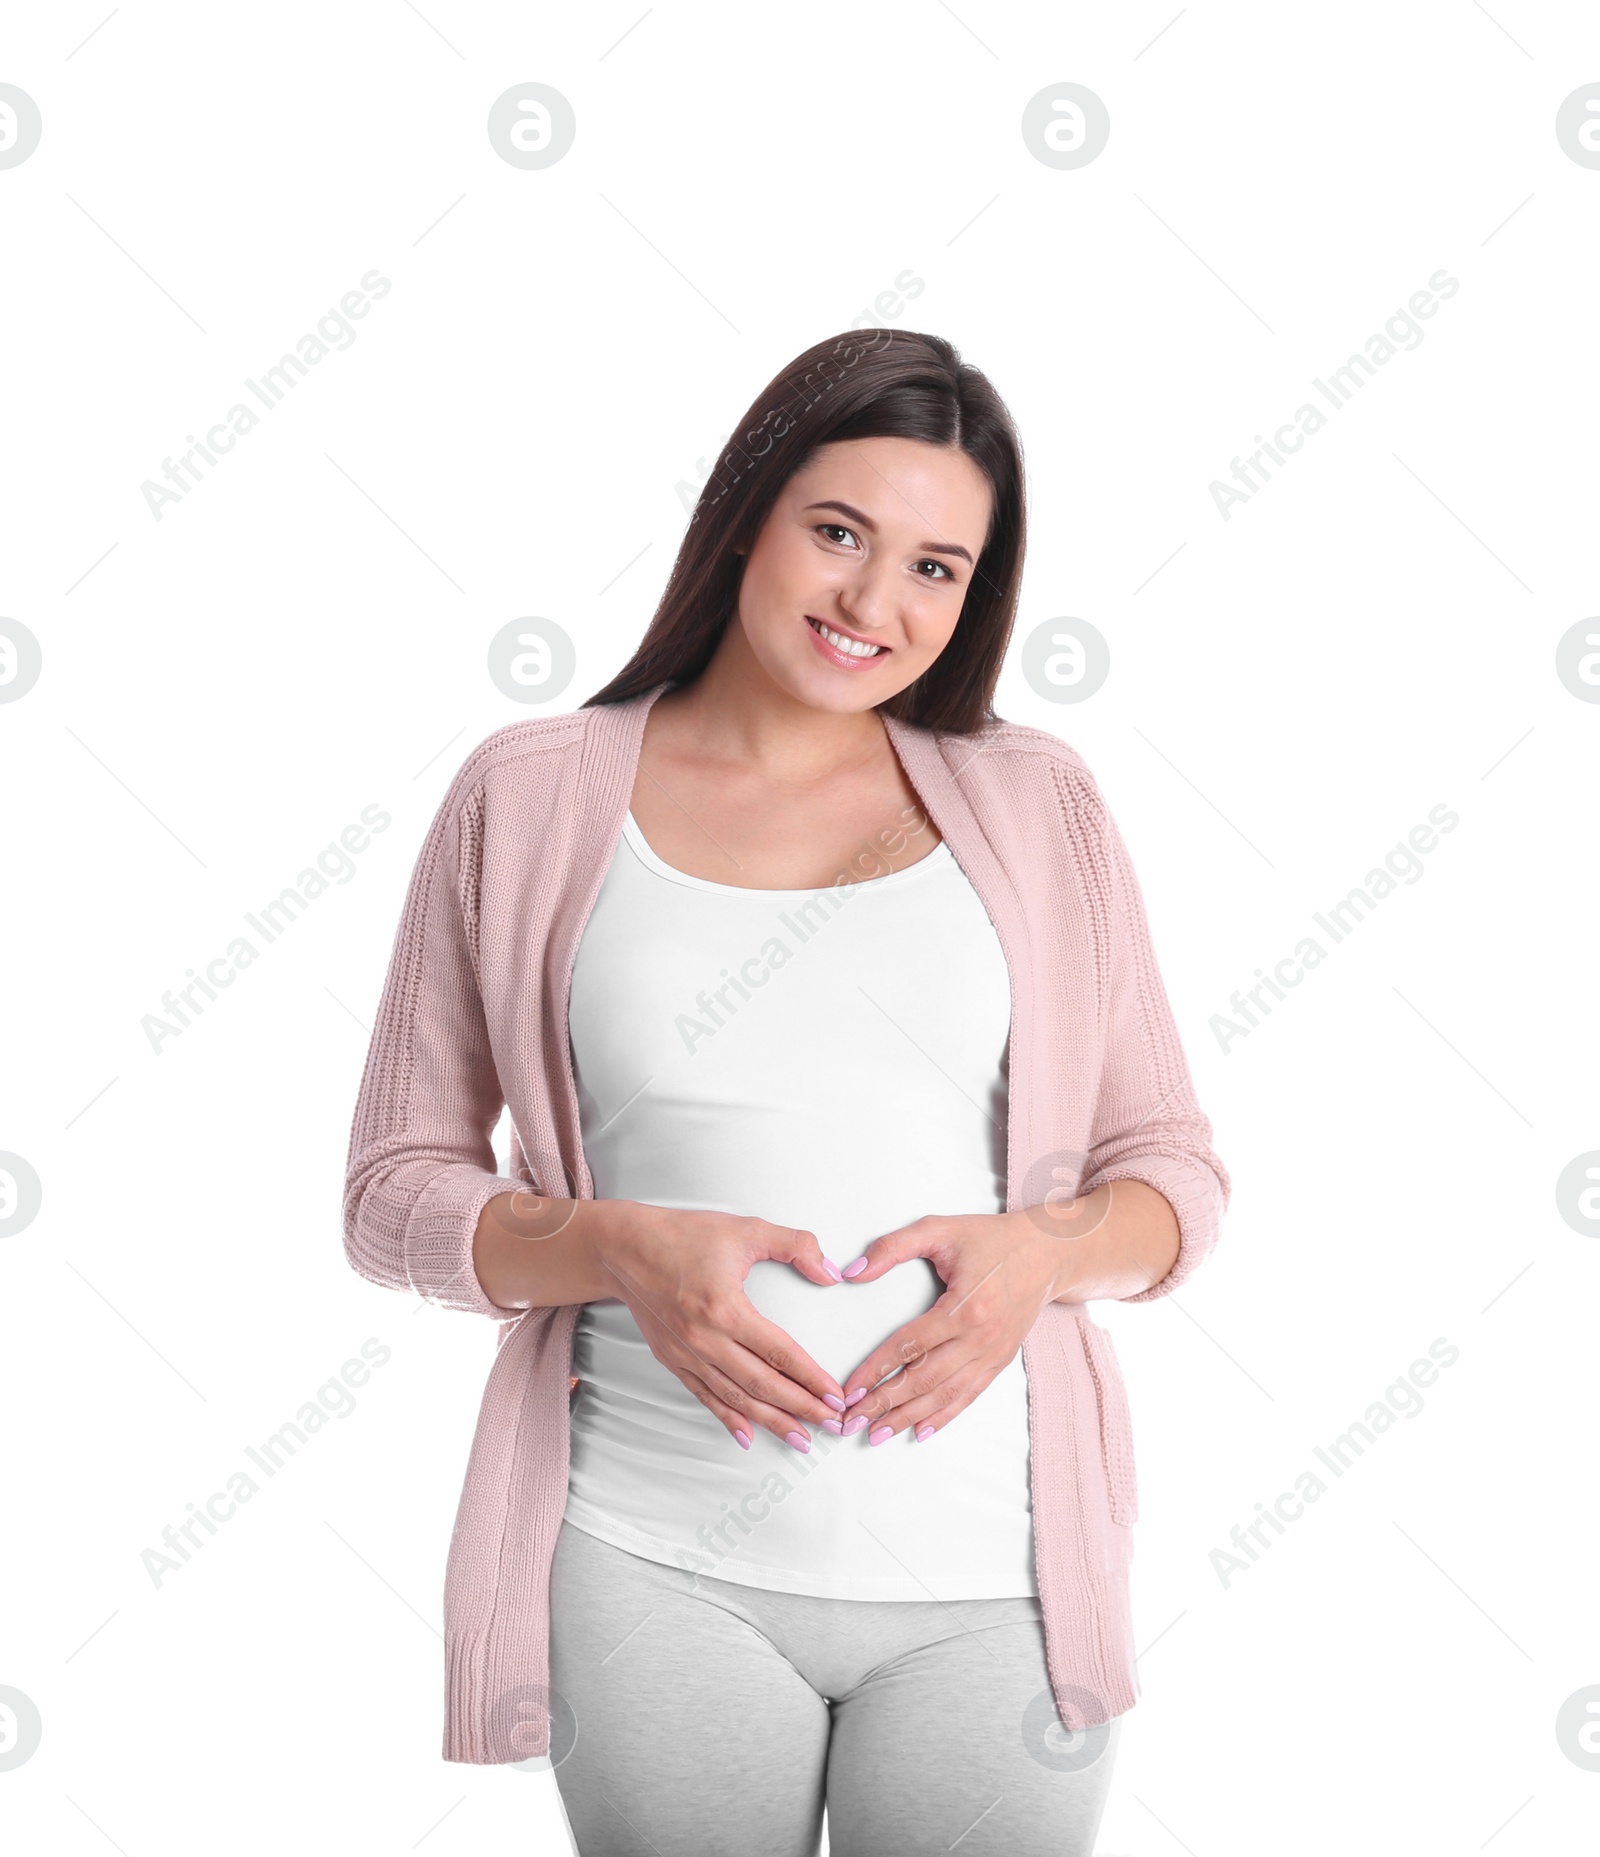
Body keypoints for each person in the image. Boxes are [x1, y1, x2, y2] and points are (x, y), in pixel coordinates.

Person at [342, 328, 1230, 1857]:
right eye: (840, 533)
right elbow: (393, 1190)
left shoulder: (1040, 802)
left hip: (994, 1576)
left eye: (937, 568)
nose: (875, 606)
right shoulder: (533, 791)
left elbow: (1177, 1179)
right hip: (652, 1559)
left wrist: (1043, 1256)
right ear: (747, 513)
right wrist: (616, 1245)